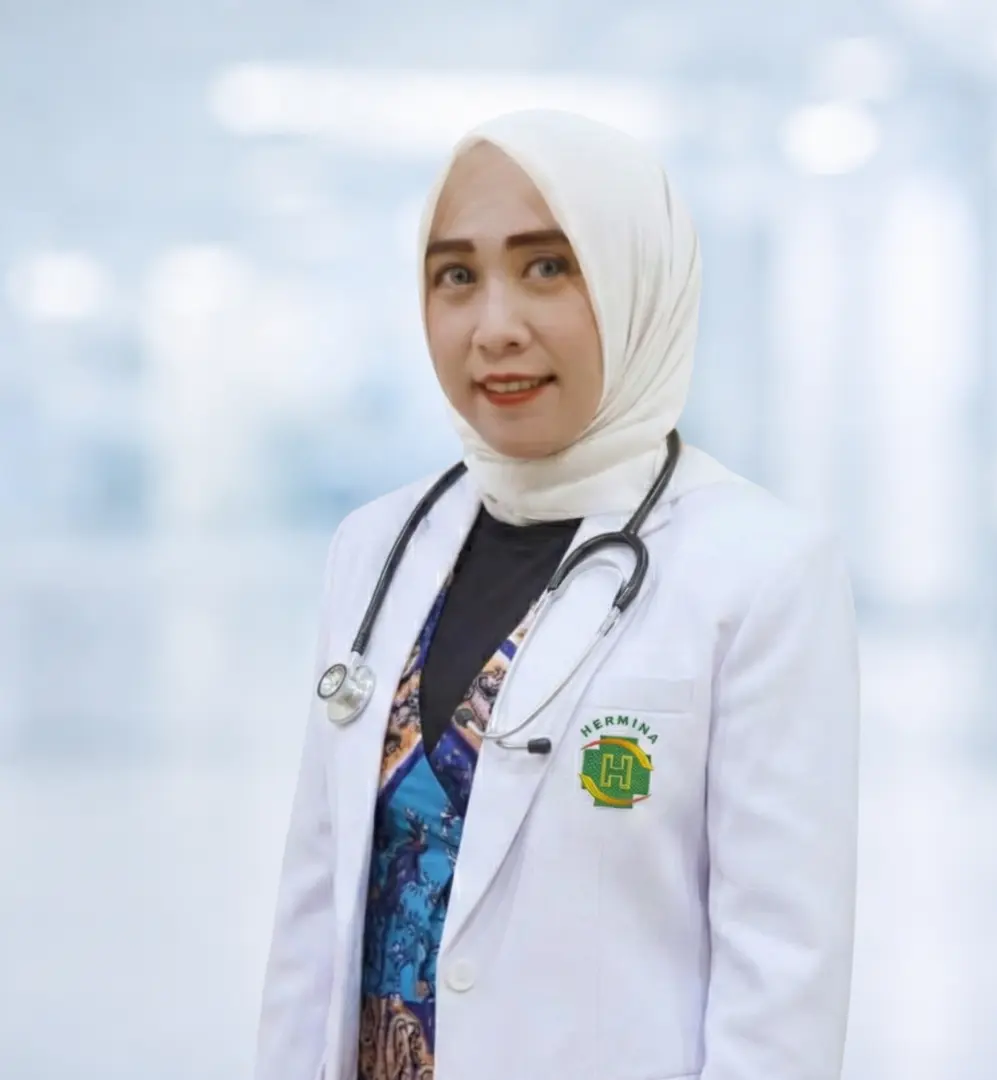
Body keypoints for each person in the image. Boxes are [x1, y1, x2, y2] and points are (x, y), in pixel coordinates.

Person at [253, 109, 860, 1080]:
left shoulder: (760, 571)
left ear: (636, 282)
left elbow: (780, 981)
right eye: (457, 276)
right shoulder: (374, 549)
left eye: (548, 267)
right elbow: (313, 918)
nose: (495, 327)